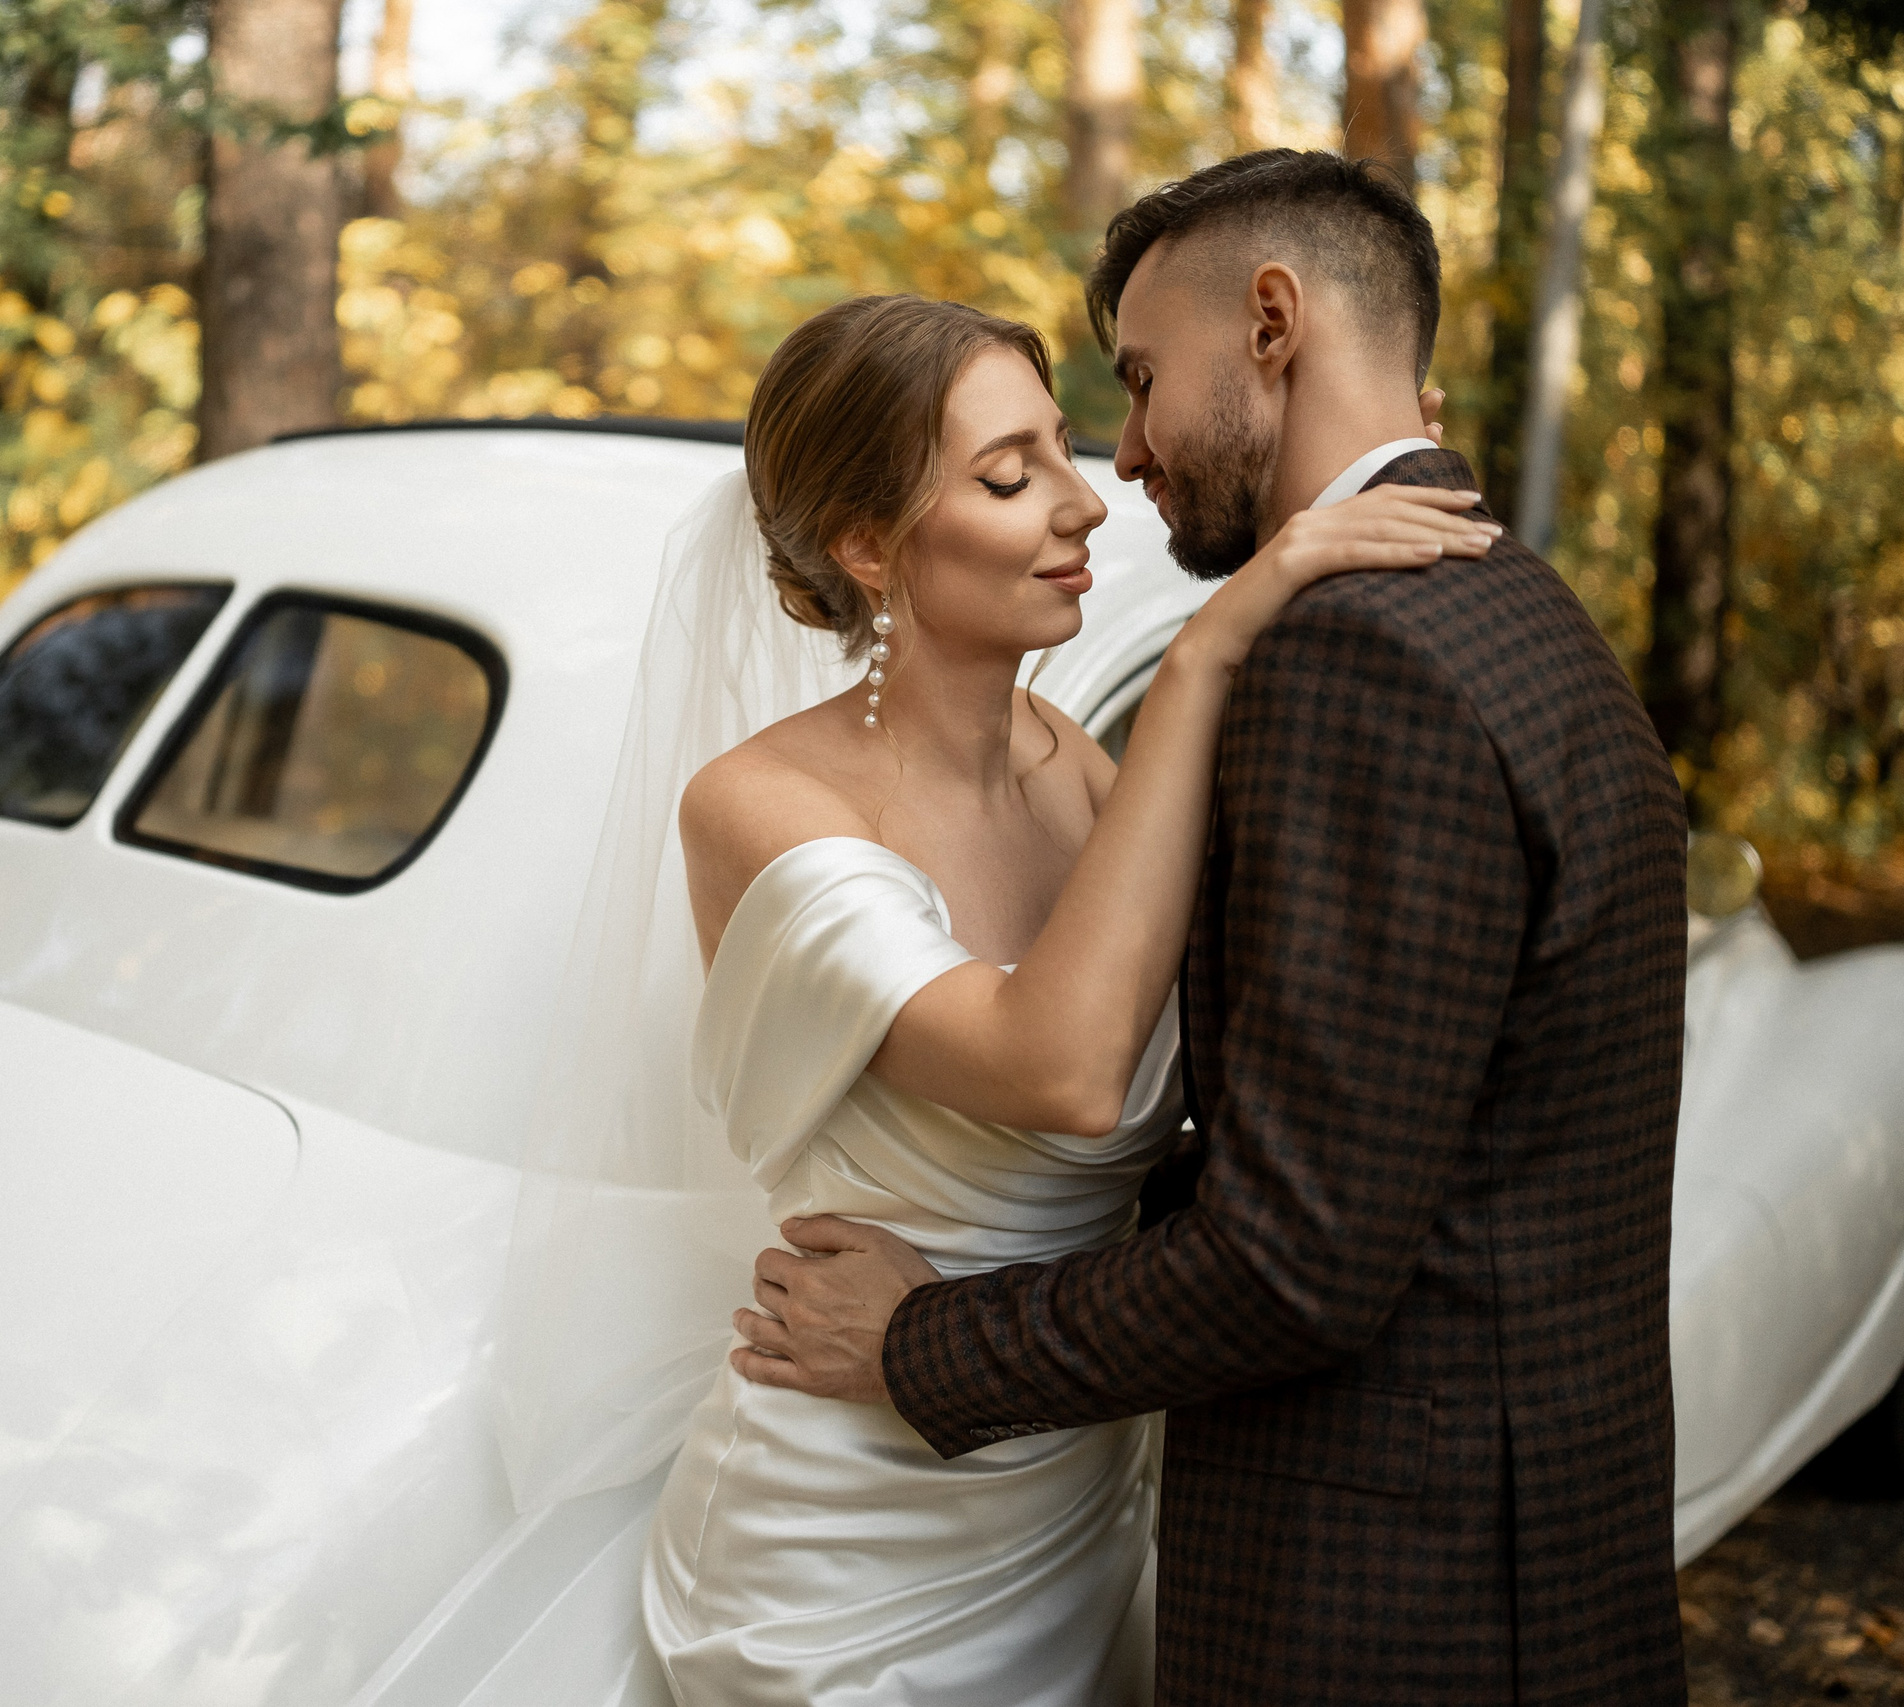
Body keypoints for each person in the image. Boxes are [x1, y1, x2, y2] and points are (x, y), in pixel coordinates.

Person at [738, 152, 1691, 1704]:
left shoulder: (1358, 657)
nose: (1122, 461)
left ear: (1271, 322)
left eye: (1138, 381)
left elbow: (1297, 1259)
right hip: (1526, 1545)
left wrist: (924, 1344)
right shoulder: (1517, 607)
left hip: (1390, 1598)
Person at [629, 271, 1491, 1696]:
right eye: (1009, 475)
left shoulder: (1078, 766)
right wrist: (1209, 647)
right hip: (849, 1533)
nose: (1087, 502)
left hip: (1072, 1490)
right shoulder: (758, 805)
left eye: (1066, 453)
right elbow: (1066, 1068)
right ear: (867, 545)